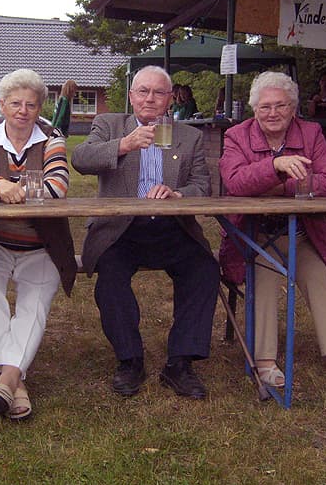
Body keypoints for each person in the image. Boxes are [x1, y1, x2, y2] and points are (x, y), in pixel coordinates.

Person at [71, 65, 219, 399]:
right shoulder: (109, 125)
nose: (150, 99)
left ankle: (180, 363)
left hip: (171, 225)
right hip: (120, 226)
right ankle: (129, 360)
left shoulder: (189, 135)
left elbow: (202, 186)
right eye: (143, 91)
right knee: (110, 274)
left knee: (204, 268)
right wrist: (123, 145)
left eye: (158, 92)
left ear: (170, 98)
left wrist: (179, 195)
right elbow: (80, 158)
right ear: (131, 96)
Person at [218, 71, 326, 387]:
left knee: (319, 280)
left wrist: (277, 186)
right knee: (264, 282)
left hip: (302, 233)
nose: (273, 113)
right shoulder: (236, 136)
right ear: (254, 110)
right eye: (265, 107)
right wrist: (275, 166)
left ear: (293, 108)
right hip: (253, 235)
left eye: (281, 106)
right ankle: (265, 360)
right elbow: (235, 182)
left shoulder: (311, 133)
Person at [0, 69, 76, 420]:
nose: (22, 110)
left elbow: (59, 186)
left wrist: (8, 186)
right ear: (2, 105)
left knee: (34, 303)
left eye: (31, 104)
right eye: (15, 103)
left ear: (39, 109)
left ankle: (7, 378)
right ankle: (16, 381)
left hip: (41, 244)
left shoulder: (52, 138)